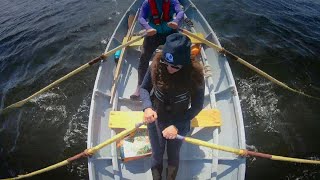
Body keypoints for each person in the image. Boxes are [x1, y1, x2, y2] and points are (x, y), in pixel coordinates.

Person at [140, 33, 205, 180]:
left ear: (185, 63)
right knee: (157, 154)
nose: (169, 68)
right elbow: (144, 89)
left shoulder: (195, 76)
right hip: (157, 118)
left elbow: (197, 107)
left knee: (174, 154)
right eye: (166, 63)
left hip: (180, 120)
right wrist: (147, 107)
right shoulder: (156, 65)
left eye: (175, 66)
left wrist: (176, 125)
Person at [130, 0, 185, 100]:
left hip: (170, 32)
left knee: (176, 56)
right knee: (144, 57)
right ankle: (139, 86)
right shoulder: (147, 3)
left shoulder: (173, 1)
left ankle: (176, 81)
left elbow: (180, 12)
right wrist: (147, 28)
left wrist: (176, 21)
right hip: (153, 34)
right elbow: (141, 17)